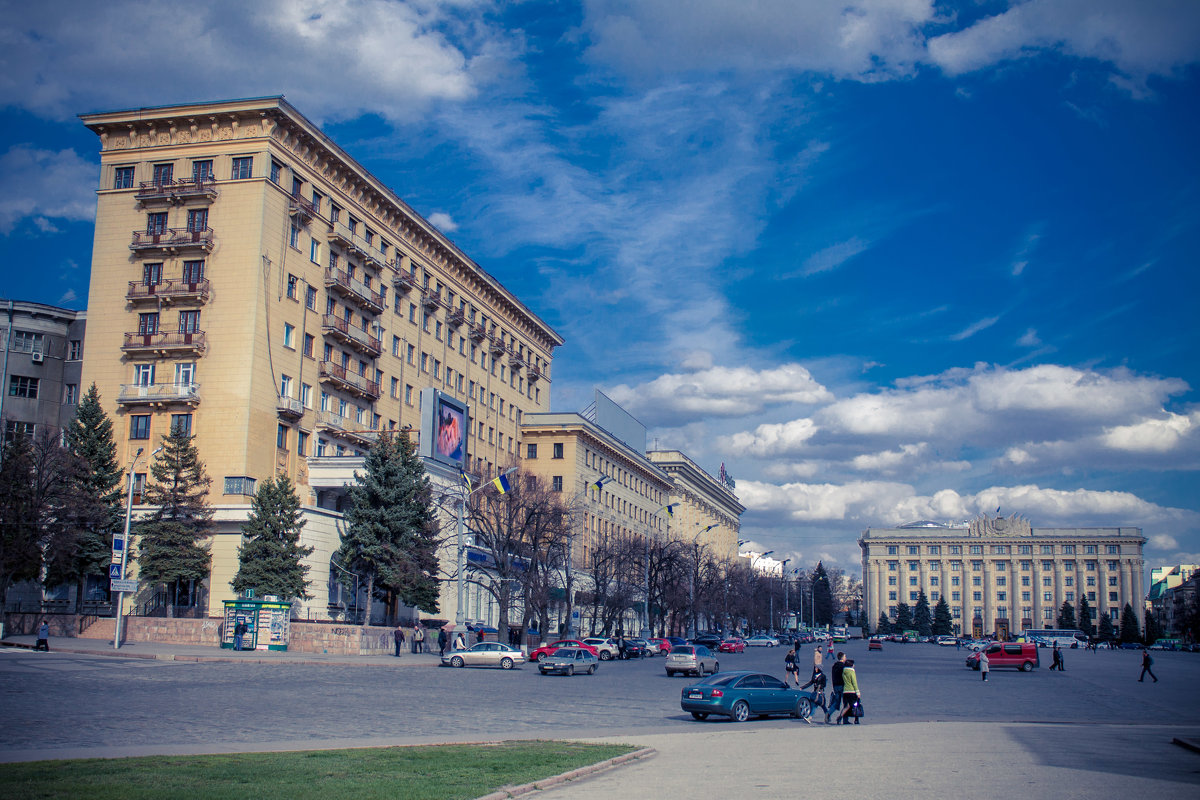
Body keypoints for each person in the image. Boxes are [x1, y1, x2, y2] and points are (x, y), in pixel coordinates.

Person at [826, 651, 846, 723]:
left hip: (835, 686)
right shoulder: (843, 666)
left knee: (836, 702)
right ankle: (844, 719)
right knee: (846, 703)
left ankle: (828, 713)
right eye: (845, 656)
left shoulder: (834, 666)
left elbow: (833, 676)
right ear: (842, 658)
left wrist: (833, 685)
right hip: (842, 686)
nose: (845, 658)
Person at [838, 659, 861, 724]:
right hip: (852, 691)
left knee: (846, 706)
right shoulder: (851, 672)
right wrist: (858, 692)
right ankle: (856, 720)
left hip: (845, 691)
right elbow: (854, 682)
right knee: (856, 705)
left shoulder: (844, 671)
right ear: (851, 665)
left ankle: (840, 717)